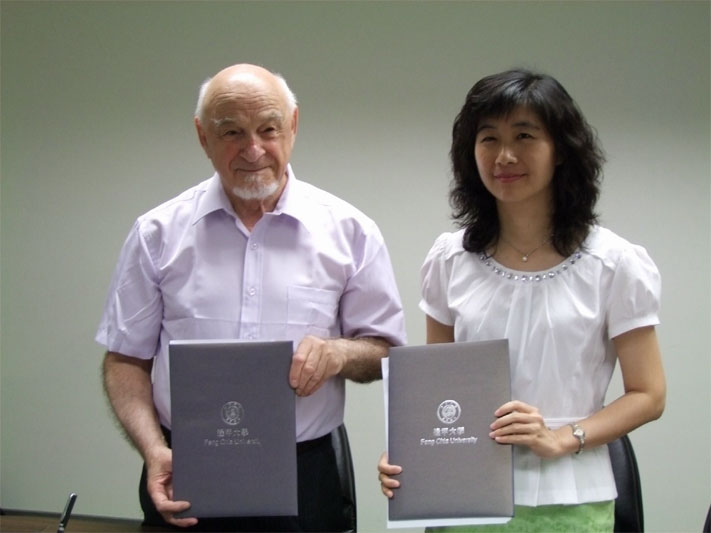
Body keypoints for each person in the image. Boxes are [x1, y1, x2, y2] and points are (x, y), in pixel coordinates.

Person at [96, 63, 406, 532]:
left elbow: (385, 351)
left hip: (307, 471)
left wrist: (339, 353)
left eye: (268, 129)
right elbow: (125, 360)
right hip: (186, 465)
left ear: (293, 126)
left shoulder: (350, 232)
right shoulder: (156, 234)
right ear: (202, 136)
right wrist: (153, 449)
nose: (253, 149)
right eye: (232, 132)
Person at [378, 69, 666, 531]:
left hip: (570, 498)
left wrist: (562, 437)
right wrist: (410, 451)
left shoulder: (613, 263)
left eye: (524, 136)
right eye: (488, 138)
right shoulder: (450, 259)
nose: (504, 155)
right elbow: (438, 388)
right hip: (464, 494)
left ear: (561, 150)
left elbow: (648, 395)